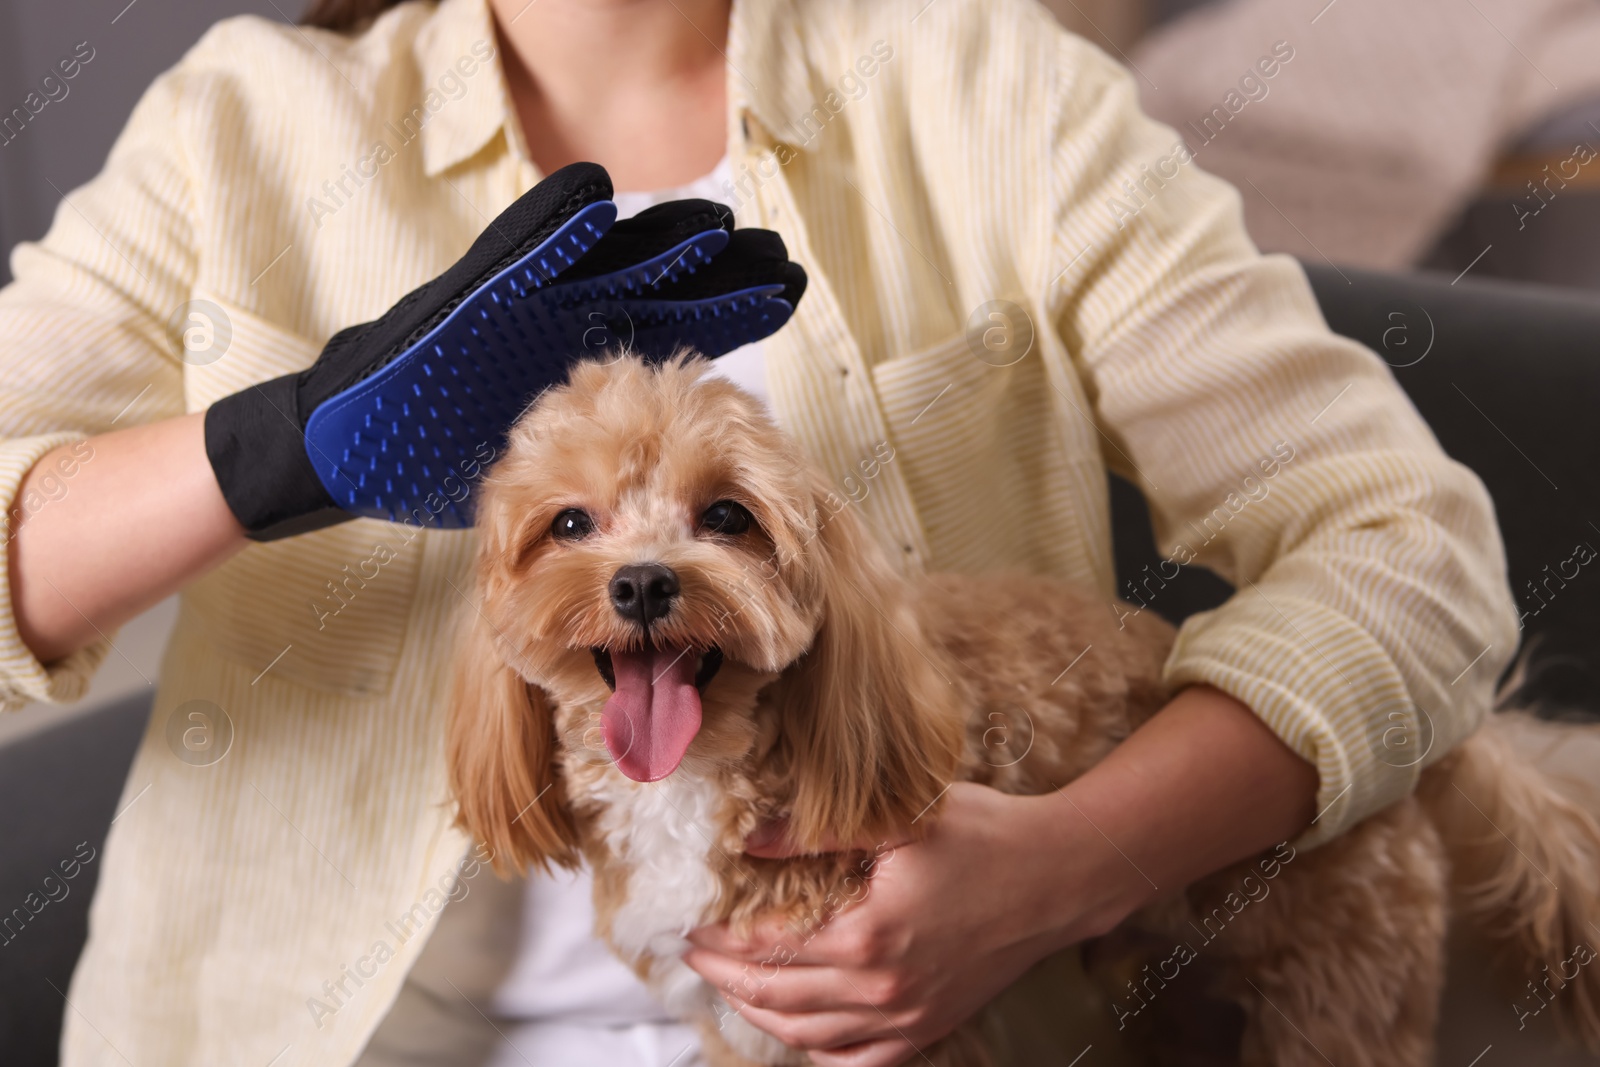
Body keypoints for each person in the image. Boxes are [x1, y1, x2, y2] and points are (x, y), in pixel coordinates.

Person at [0, 0, 1518, 1065]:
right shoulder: (242, 127)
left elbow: (1411, 548)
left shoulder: (994, 95)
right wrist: (283, 446)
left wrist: (1073, 865)